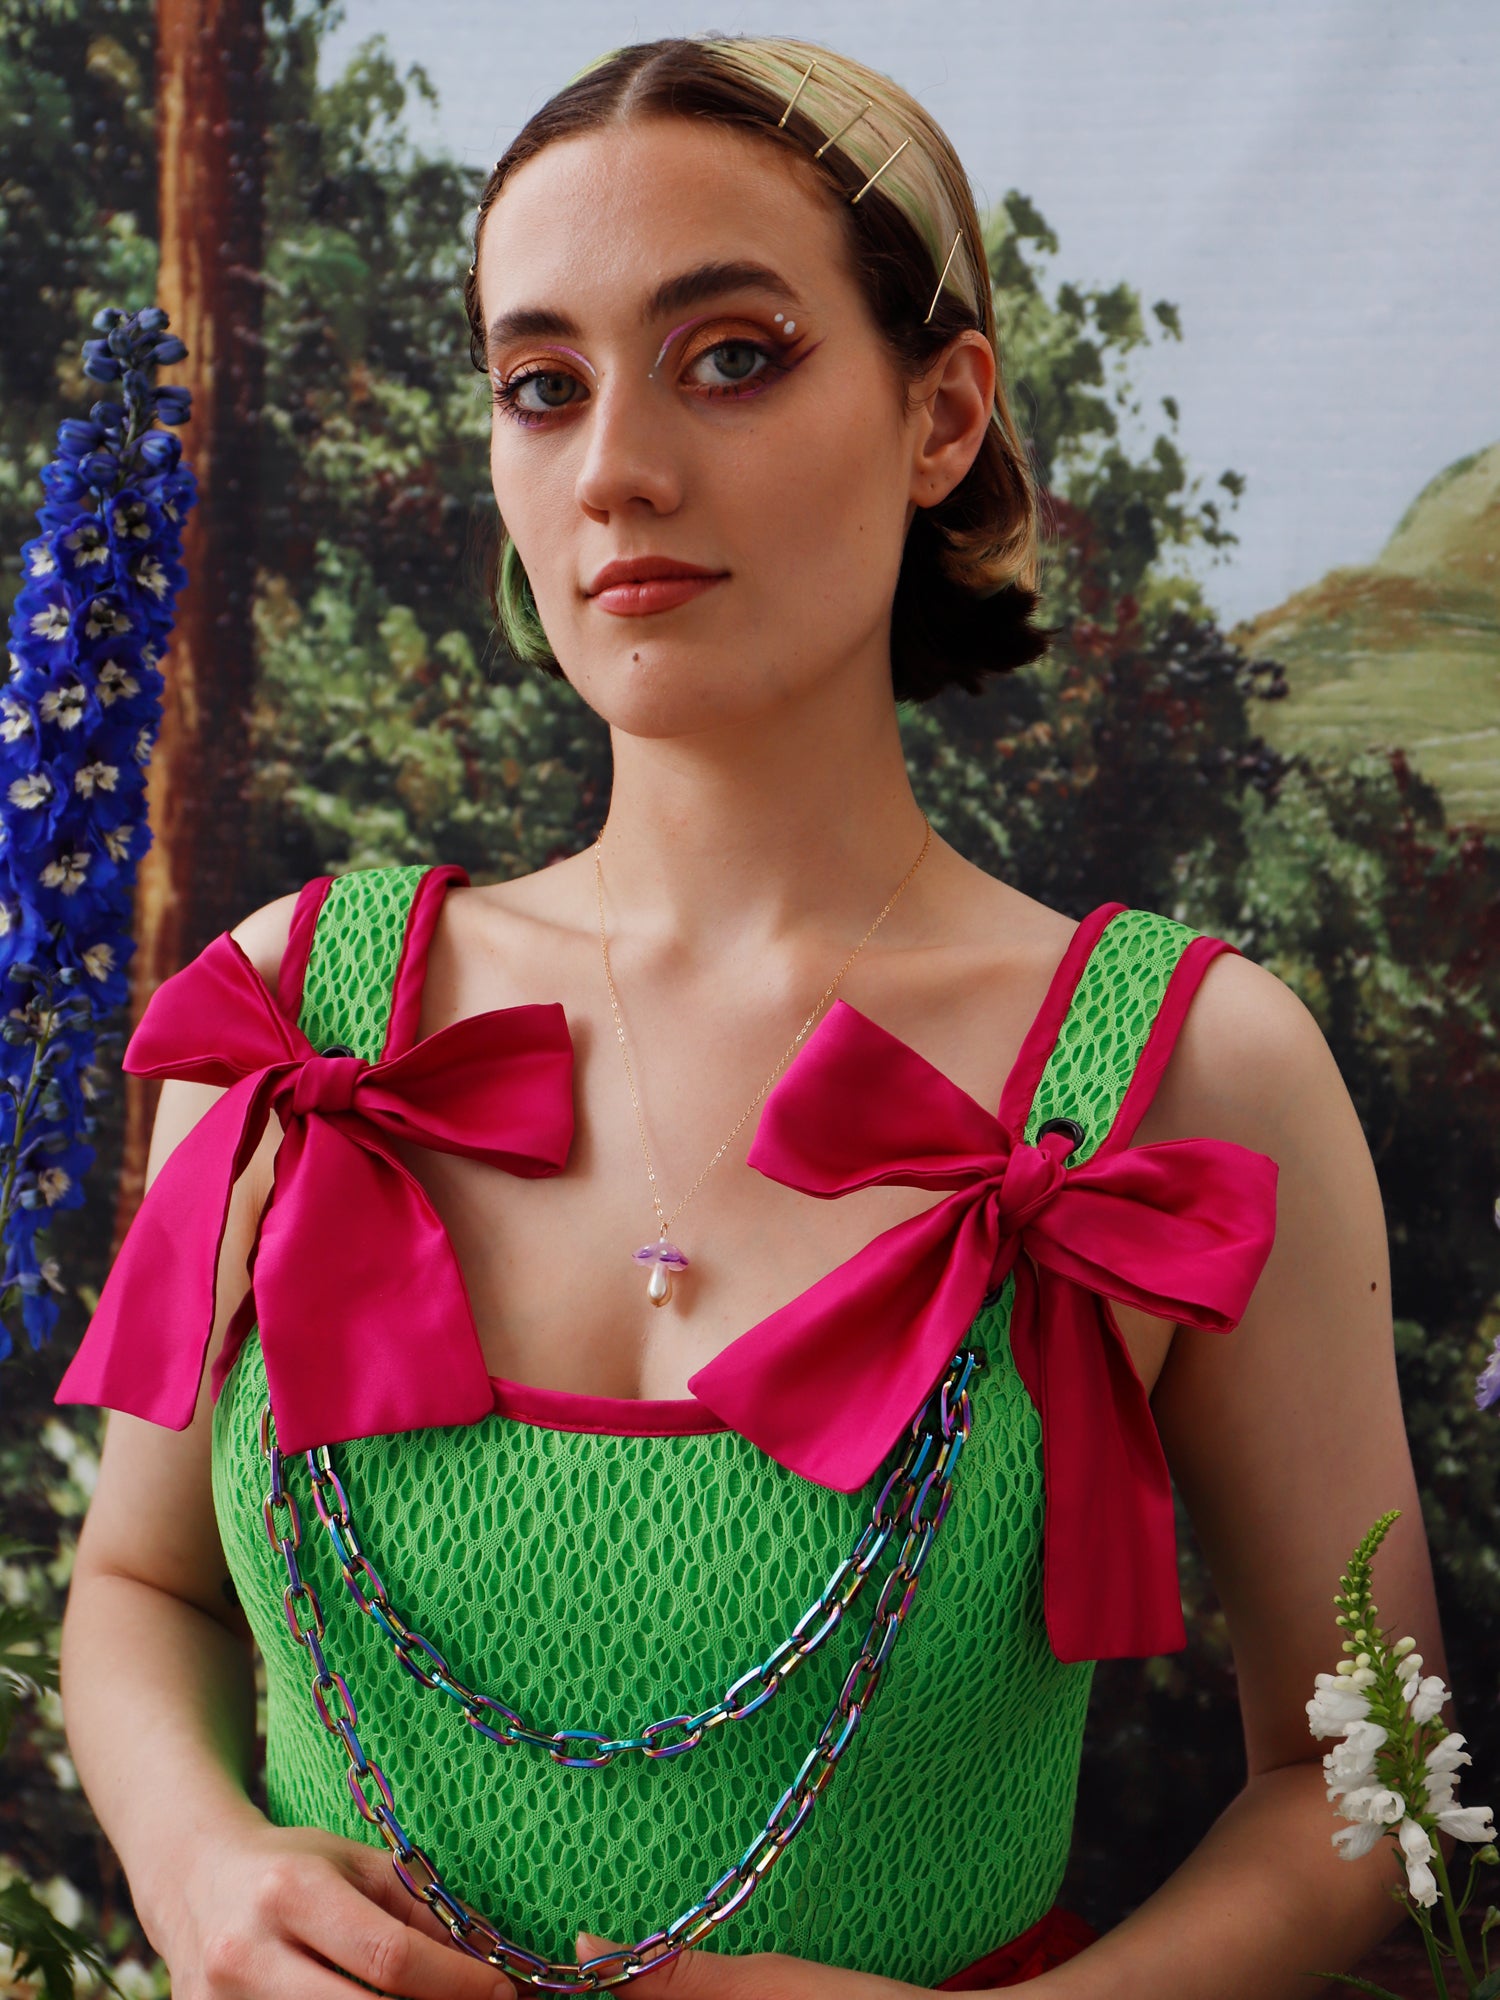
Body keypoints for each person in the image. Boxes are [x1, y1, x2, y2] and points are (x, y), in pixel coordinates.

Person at [55, 33, 1445, 1999]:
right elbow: (141, 1585)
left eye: (730, 356)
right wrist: (200, 1865)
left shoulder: (1194, 1072)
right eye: (543, 384)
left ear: (942, 411)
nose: (613, 465)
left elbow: (1358, 1781)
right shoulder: (297, 1021)